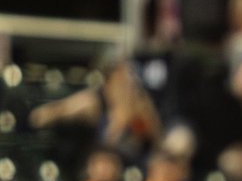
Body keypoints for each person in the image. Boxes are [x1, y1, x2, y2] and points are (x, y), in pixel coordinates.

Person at [29, 58, 162, 166]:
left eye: (130, 84)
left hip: (131, 169)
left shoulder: (140, 108)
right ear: (108, 85)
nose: (126, 89)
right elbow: (40, 117)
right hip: (96, 167)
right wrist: (62, 112)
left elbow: (157, 145)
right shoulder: (94, 102)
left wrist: (141, 115)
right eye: (121, 83)